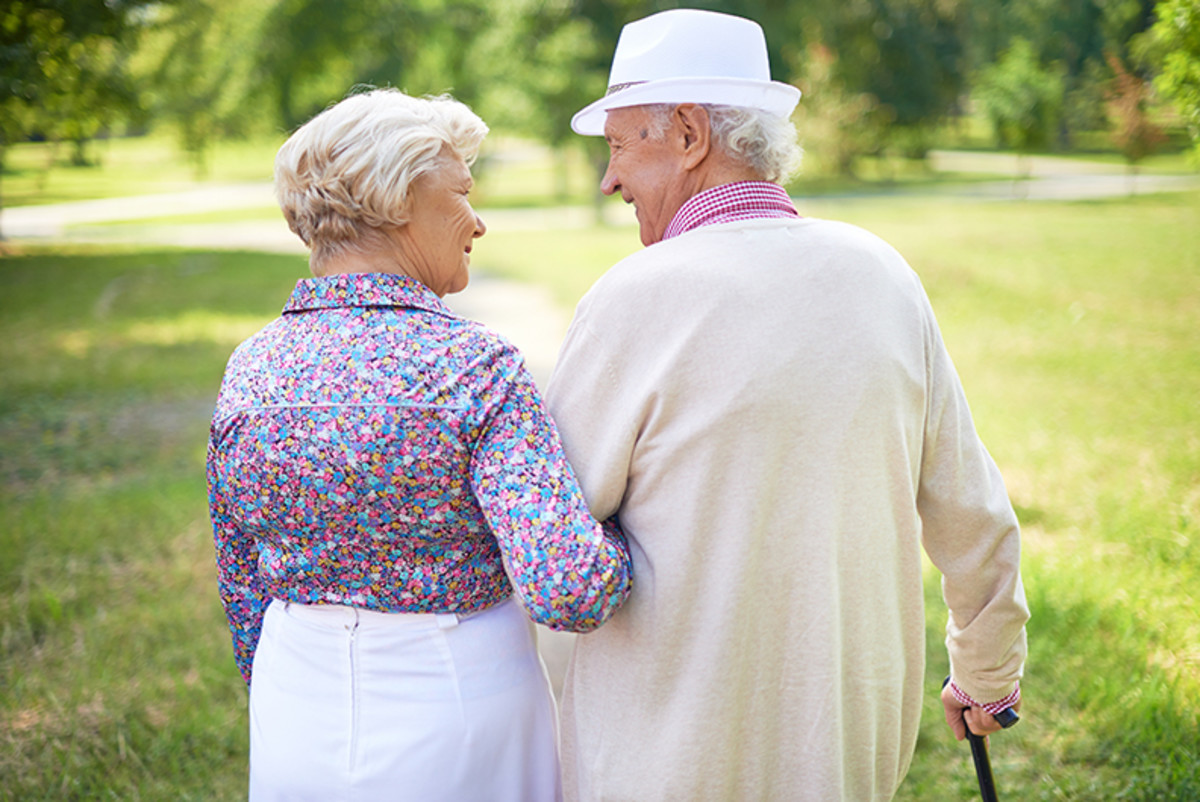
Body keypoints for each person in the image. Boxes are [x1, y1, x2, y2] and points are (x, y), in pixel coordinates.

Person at [544, 9, 1029, 801]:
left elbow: (546, 528)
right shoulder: (884, 276)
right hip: (843, 758)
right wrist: (987, 679)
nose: (610, 178)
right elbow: (975, 517)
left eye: (619, 143)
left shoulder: (634, 297)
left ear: (691, 133)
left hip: (667, 764)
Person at [205, 88, 632, 802]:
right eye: (462, 192)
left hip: (293, 713)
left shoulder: (252, 366)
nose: (479, 221)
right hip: (460, 713)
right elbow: (568, 587)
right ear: (399, 199)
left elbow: (242, 575)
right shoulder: (474, 366)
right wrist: (632, 536)